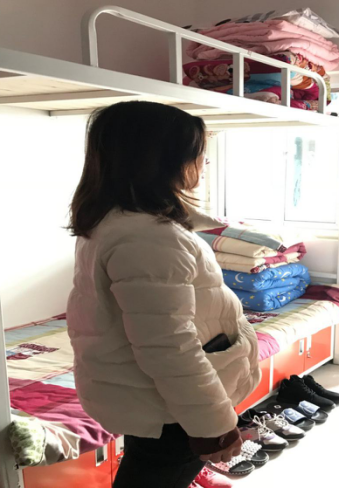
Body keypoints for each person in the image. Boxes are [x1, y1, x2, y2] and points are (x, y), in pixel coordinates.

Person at [66, 101, 260, 488]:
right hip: (172, 410)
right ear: (162, 160)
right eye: (197, 153)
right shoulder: (149, 238)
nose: (204, 163)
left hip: (158, 401)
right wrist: (214, 426)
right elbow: (169, 347)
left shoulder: (117, 221)